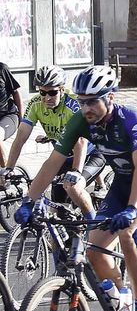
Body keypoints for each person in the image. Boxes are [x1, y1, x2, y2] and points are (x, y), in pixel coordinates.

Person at [15, 66, 137, 311]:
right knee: (94, 251)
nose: (86, 107)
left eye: (92, 101)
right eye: (81, 101)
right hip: (124, 180)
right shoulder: (82, 120)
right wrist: (29, 200)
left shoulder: (131, 118)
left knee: (128, 235)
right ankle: (123, 300)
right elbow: (52, 163)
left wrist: (133, 209)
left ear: (110, 97)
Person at [6, 65, 96, 213]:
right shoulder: (35, 104)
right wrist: (9, 168)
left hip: (89, 153)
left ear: (61, 89)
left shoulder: (73, 105)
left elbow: (80, 141)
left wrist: (76, 171)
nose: (47, 97)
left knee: (74, 188)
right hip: (64, 154)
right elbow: (20, 137)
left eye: (52, 92)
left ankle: (92, 224)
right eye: (43, 92)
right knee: (56, 209)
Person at [0, 55, 22, 143]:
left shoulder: (2, 69)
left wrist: (22, 119)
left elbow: (16, 93)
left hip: (7, 115)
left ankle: (7, 158)